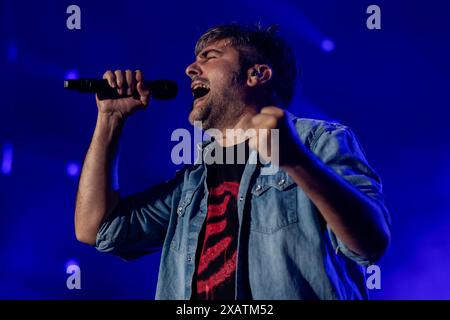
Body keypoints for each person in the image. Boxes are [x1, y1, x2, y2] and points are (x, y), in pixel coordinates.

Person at [74, 23, 391, 300]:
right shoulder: (193, 183)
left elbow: (371, 241)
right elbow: (97, 229)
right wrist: (110, 120)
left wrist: (296, 162)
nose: (190, 69)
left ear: (257, 74)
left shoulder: (318, 141)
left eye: (209, 57)